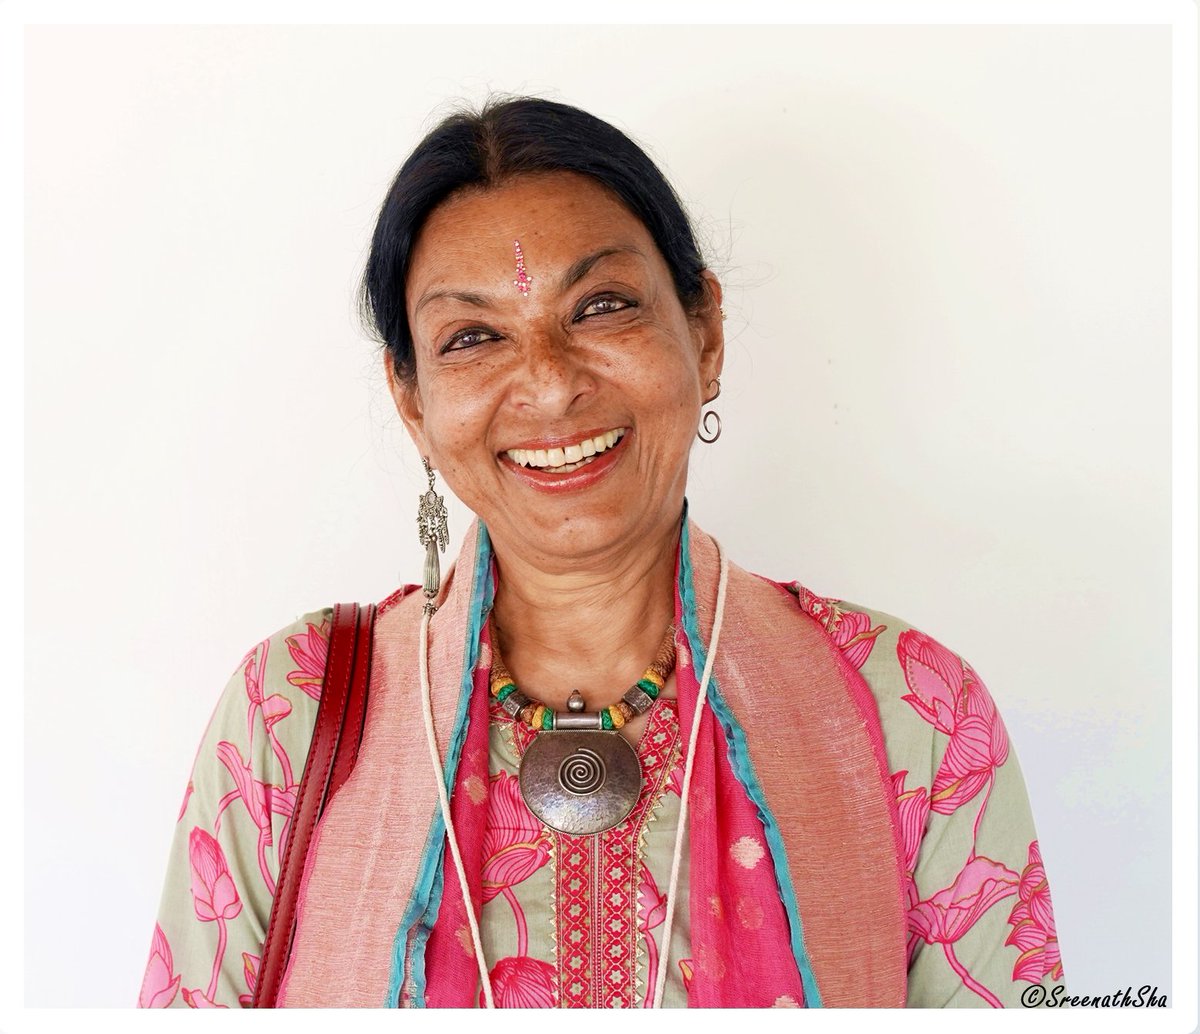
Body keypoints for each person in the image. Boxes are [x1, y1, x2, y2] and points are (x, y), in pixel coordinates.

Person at [139, 96, 1064, 1009]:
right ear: (413, 401)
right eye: (472, 337)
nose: (546, 381)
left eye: (602, 306)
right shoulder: (289, 716)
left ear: (704, 334)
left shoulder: (914, 715)